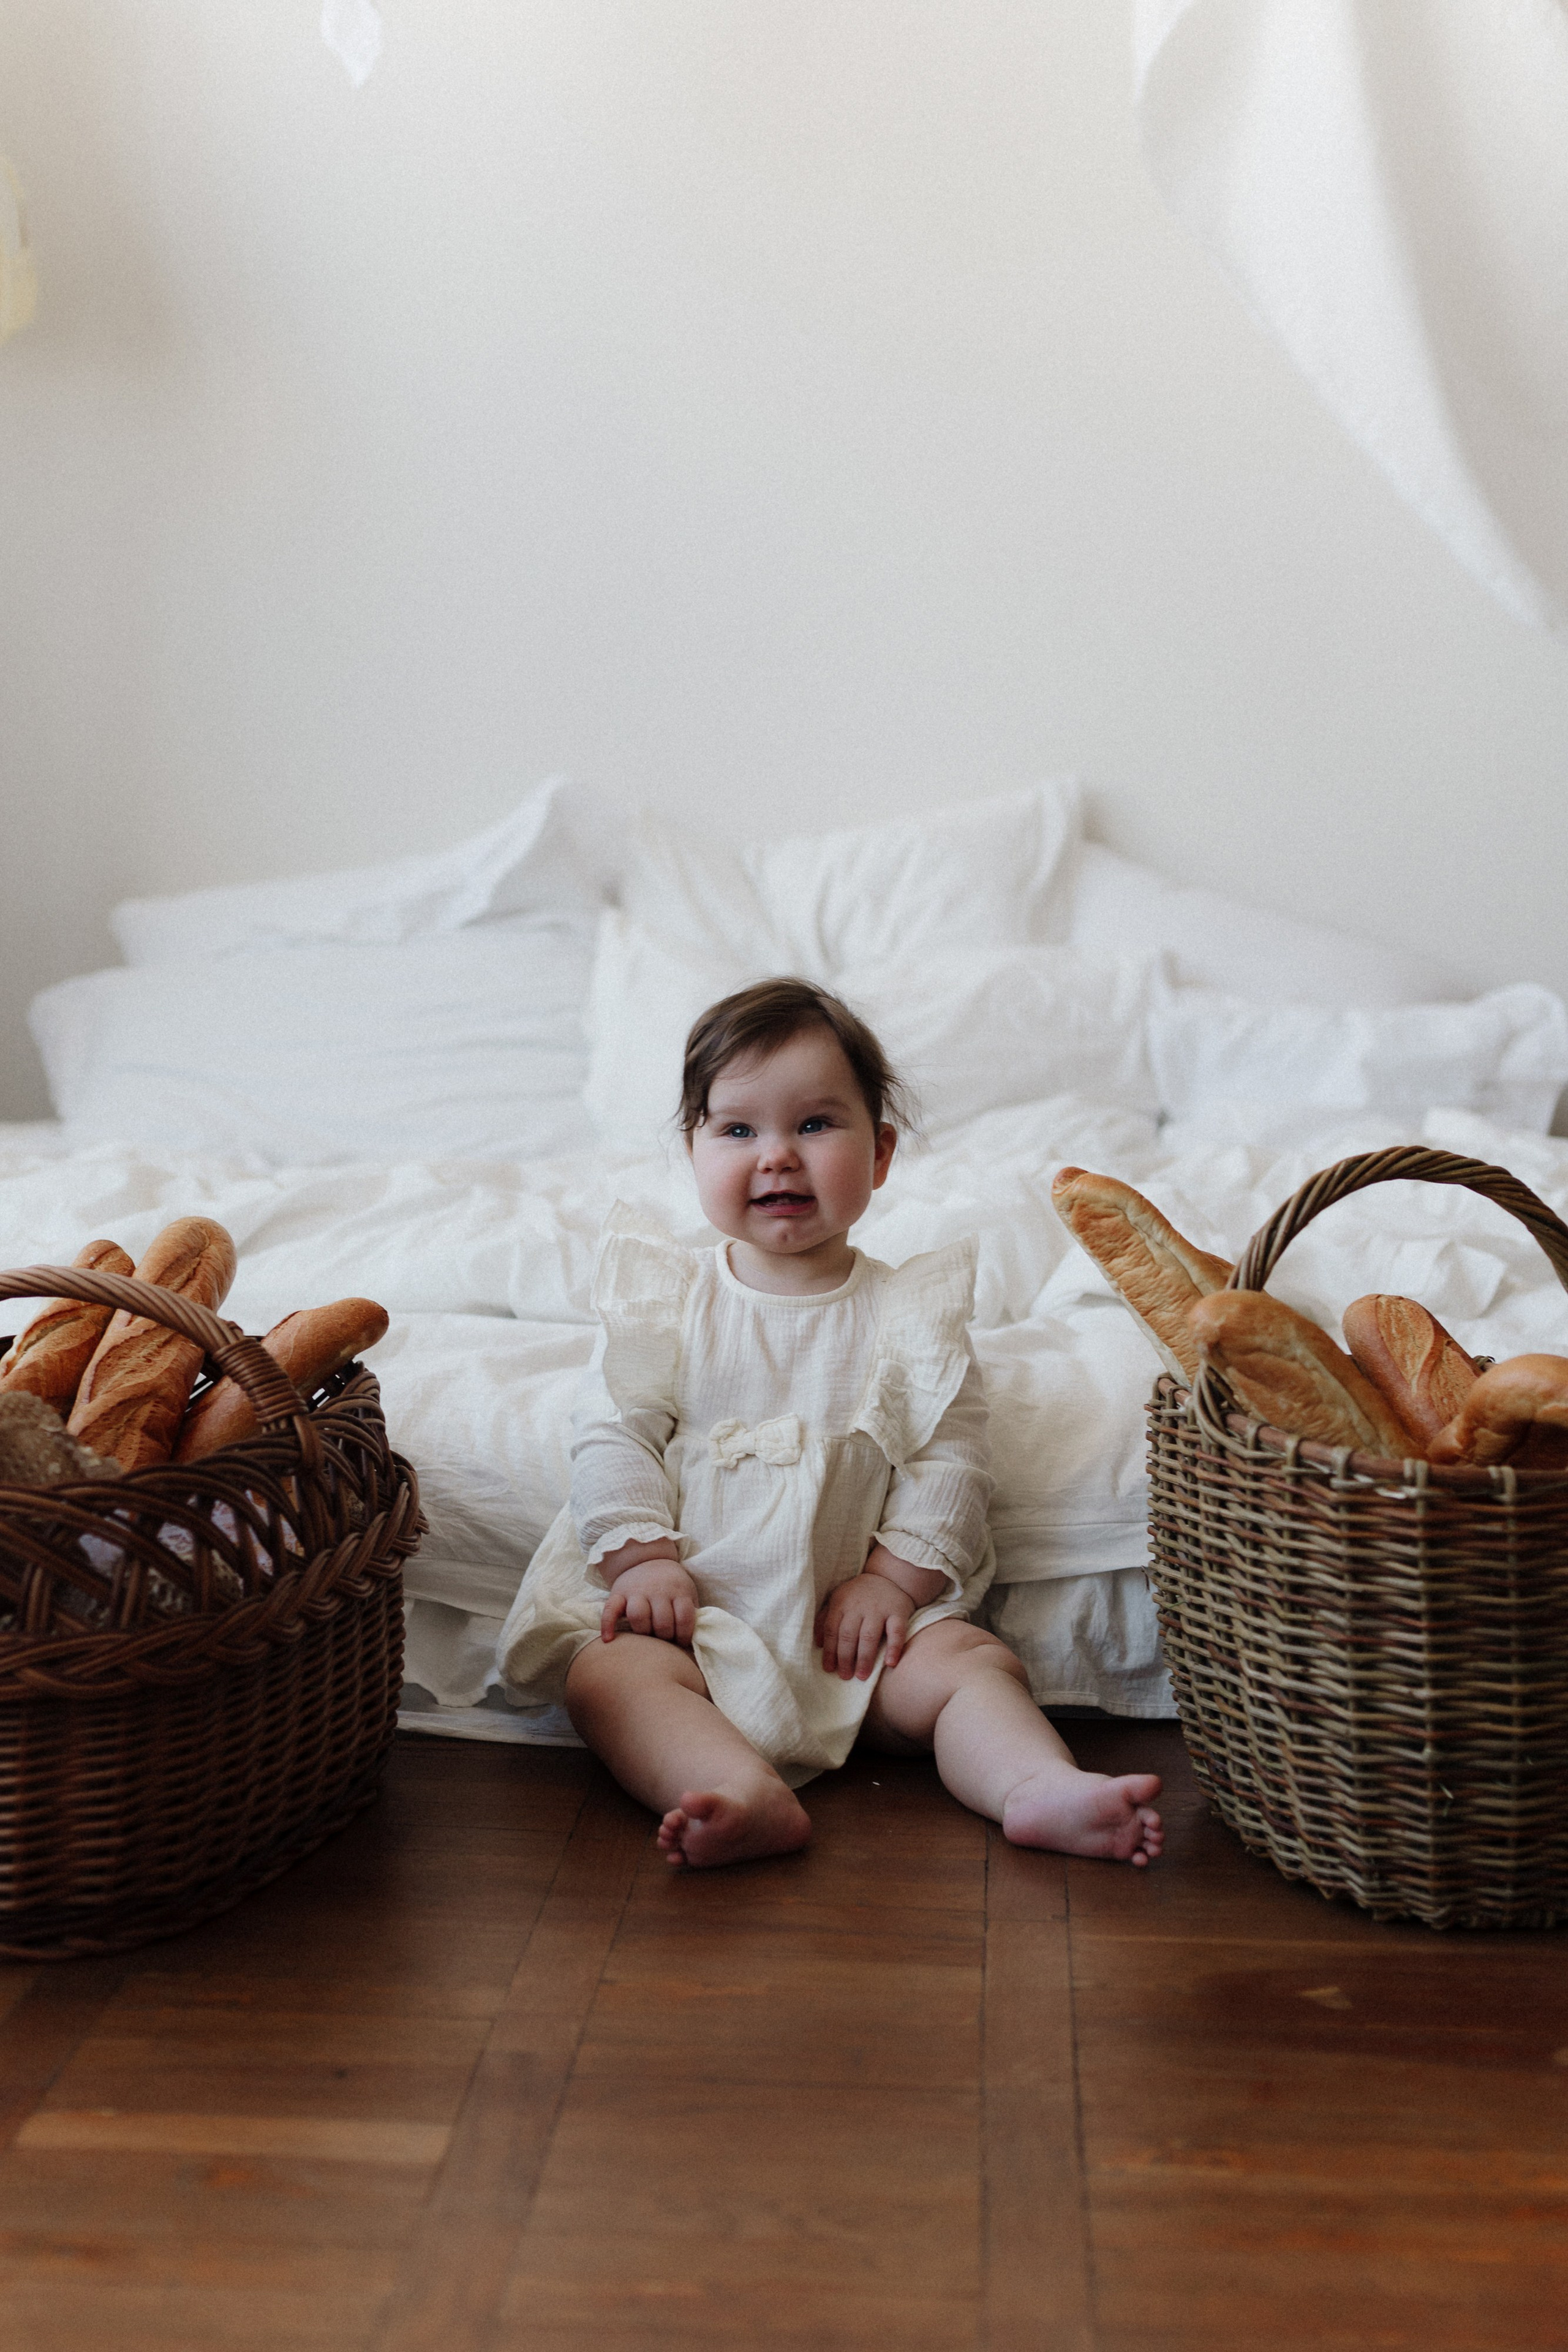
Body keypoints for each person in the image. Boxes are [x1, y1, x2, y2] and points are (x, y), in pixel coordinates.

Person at [497, 979, 1163, 1871]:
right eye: (737, 1130)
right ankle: (735, 1786)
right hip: (696, 1621)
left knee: (971, 1666)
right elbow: (612, 1434)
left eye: (815, 1125)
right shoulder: (667, 1300)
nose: (777, 1157)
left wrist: (894, 1584)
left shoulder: (909, 1315)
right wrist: (644, 1558)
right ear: (692, 1151)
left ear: (882, 1154)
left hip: (858, 1644)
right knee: (608, 1679)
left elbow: (952, 1465)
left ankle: (1036, 1786)